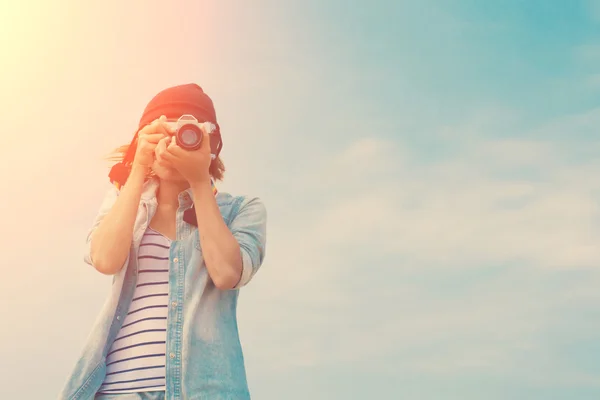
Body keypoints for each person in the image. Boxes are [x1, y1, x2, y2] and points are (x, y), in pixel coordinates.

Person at [59, 83, 267, 400]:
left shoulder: (242, 210)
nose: (173, 143)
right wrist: (139, 169)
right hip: (117, 390)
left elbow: (227, 274)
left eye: (187, 132)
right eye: (163, 132)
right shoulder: (122, 200)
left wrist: (199, 181)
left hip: (203, 392)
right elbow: (104, 259)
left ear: (209, 142)